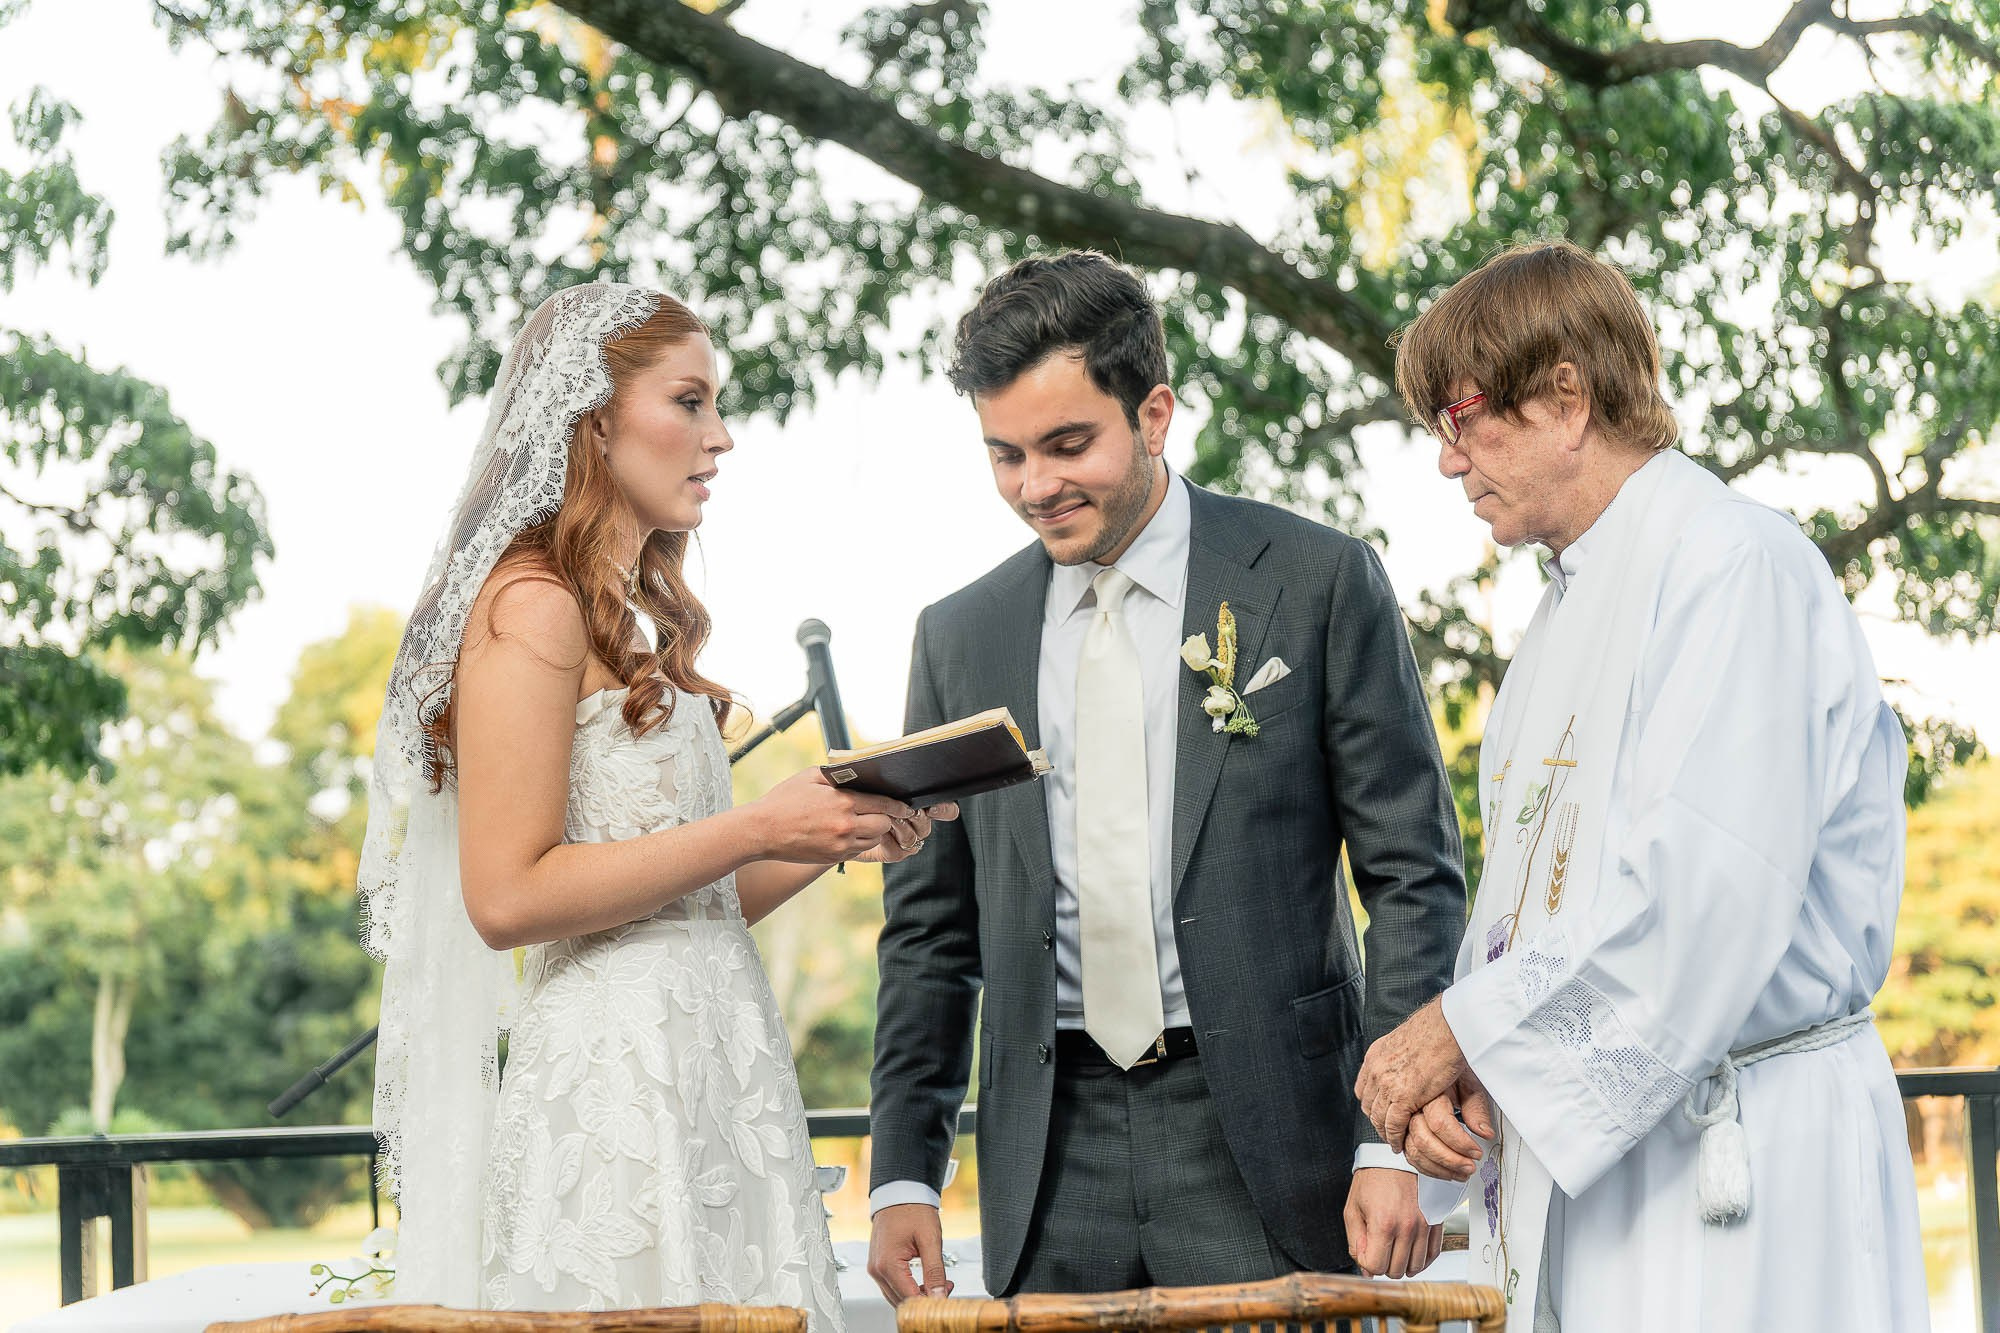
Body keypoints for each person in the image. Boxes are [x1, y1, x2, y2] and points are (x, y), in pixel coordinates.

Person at [866, 251, 1467, 1303]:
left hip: (1274, 1141)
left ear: (1152, 413)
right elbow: (930, 927)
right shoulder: (957, 636)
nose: (1033, 487)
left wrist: (1390, 1145)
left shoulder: (1315, 582)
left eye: (1065, 445)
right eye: (1003, 455)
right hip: (1046, 1155)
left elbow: (1410, 875)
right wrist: (903, 1169)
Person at [1356, 239, 1928, 1330]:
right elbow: (1525, 914)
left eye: (1459, 415)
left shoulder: (1733, 566)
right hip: (1613, 1165)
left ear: (1564, 397)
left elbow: (1701, 896)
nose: (1444, 458)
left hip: (1746, 1160)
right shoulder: (1558, 619)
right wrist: (1470, 1082)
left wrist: (1463, 1033)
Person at [360, 282, 953, 1320]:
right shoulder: (531, 607)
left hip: (720, 1070)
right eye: (689, 401)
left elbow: (694, 897)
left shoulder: (630, 623)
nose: (719, 437)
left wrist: (830, 832)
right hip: (612, 1088)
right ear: (593, 419)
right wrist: (755, 821)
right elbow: (504, 895)